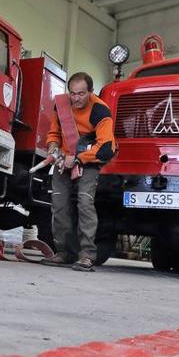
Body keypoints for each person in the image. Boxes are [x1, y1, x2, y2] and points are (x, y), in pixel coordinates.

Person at [45, 71, 117, 271]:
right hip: (64, 160)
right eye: (73, 93)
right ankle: (63, 253)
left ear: (91, 92)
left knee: (85, 203)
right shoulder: (60, 105)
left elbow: (105, 148)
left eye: (81, 94)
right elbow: (54, 133)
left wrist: (77, 159)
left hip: (89, 161)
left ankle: (86, 256)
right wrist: (53, 147)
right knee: (59, 205)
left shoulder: (101, 111)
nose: (76, 98)